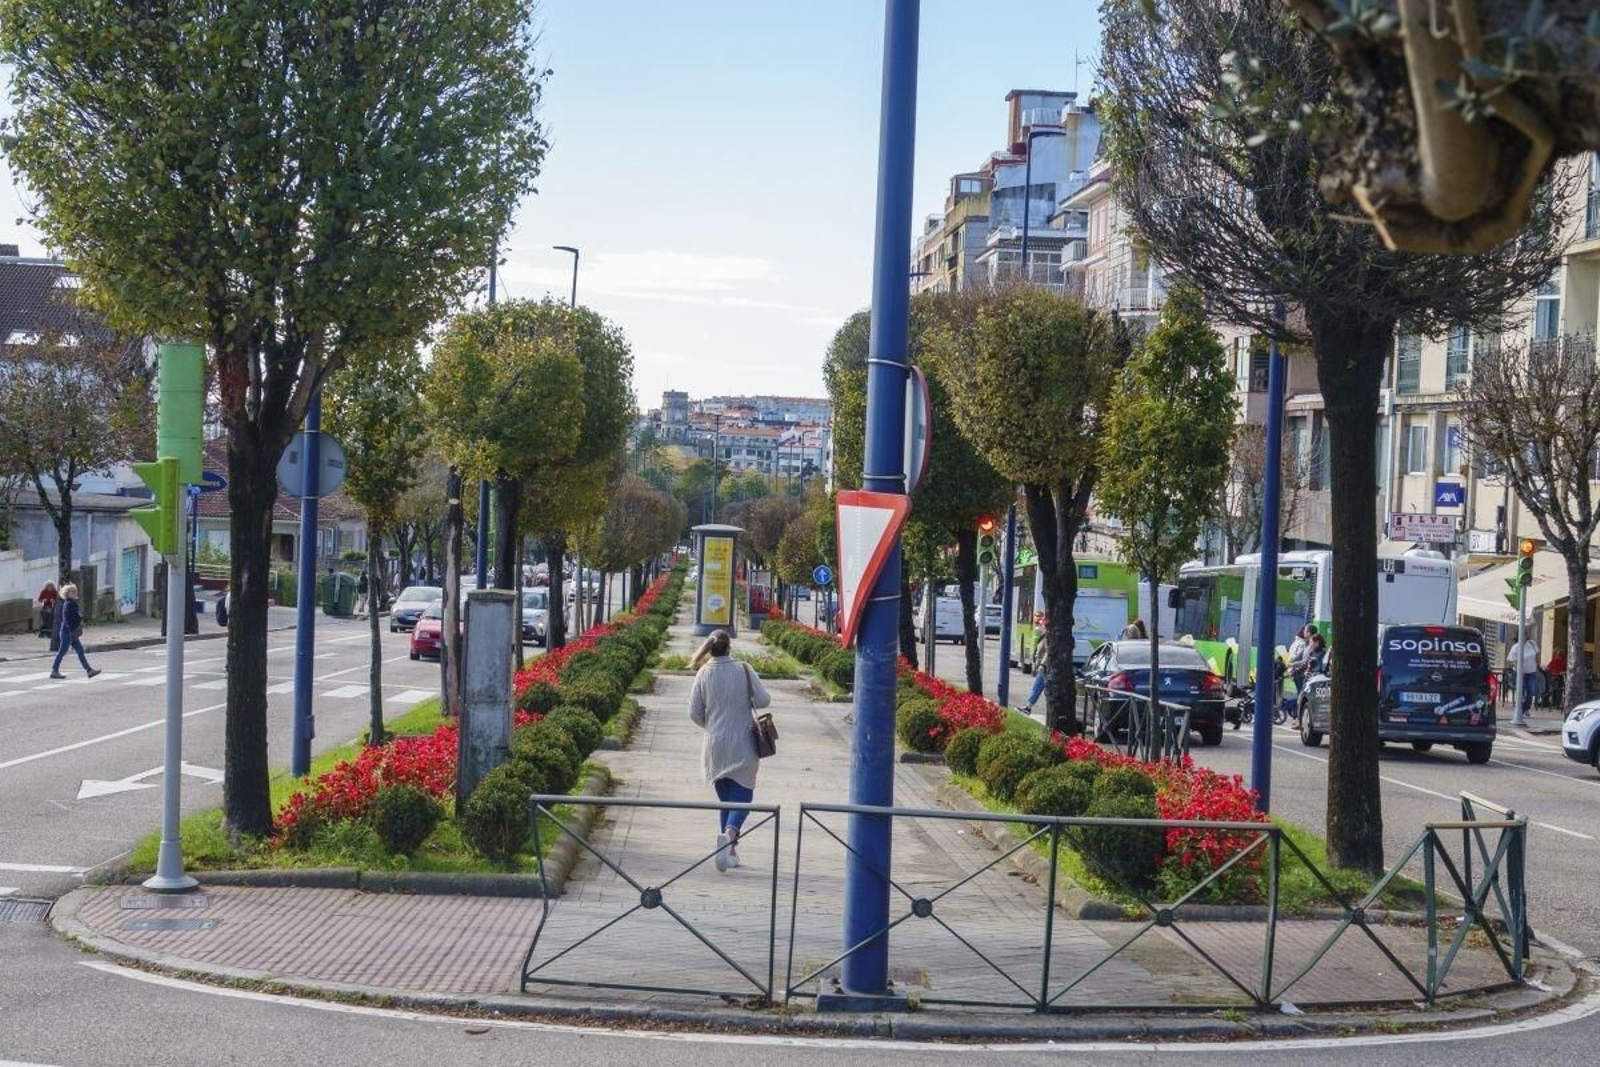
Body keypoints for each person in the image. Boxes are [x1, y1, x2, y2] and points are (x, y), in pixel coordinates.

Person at [688, 629, 771, 872]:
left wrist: (712, 726)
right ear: (729, 647)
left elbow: (693, 713)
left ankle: (728, 851)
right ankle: (731, 834)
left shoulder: (703, 673)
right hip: (743, 742)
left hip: (714, 745)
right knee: (743, 797)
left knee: (726, 800)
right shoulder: (743, 668)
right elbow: (764, 700)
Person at [49, 584, 100, 680]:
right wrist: (79, 617)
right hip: (67, 632)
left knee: (80, 651)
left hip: (71, 632)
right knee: (62, 652)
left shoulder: (71, 603)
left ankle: (89, 670)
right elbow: (68, 619)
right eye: (72, 591)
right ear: (67, 593)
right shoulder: (68, 604)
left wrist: (78, 616)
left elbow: (72, 617)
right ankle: (54, 671)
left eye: (75, 591)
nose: (74, 593)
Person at [1018, 620, 1049, 716]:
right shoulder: (1045, 635)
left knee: (1039, 687)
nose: (1041, 626)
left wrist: (1043, 665)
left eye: (1043, 624)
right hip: (1044, 667)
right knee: (1038, 687)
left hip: (1046, 667)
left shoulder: (1049, 636)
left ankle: (1028, 707)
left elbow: (1048, 652)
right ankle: (1028, 707)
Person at [1513, 635, 1540, 717]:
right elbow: (1514, 660)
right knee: (1521, 692)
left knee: (1531, 690)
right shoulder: (1516, 647)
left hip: (1531, 671)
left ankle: (1526, 708)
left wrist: (1537, 665)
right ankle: (1520, 710)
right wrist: (1518, 669)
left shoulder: (1532, 643)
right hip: (1521, 673)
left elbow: (1537, 655)